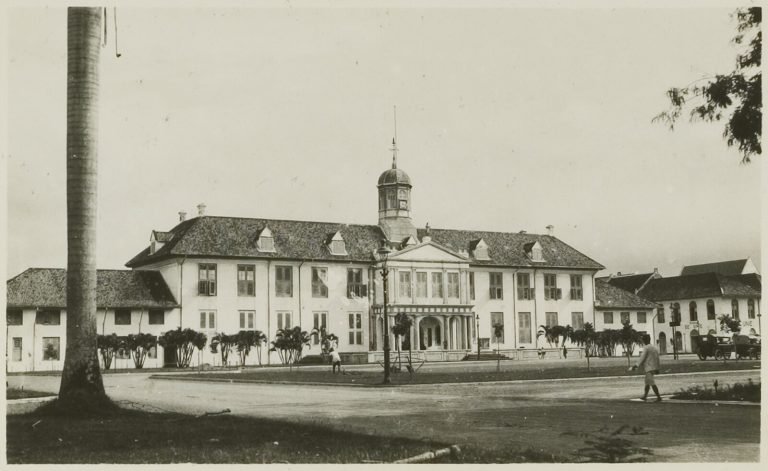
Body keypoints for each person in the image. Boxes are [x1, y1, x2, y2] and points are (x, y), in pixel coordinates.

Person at [630, 334, 662, 402]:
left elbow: (642, 358)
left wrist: (635, 366)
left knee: (651, 382)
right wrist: (657, 368)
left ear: (645, 340)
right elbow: (657, 358)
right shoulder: (654, 347)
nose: (643, 341)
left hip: (648, 368)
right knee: (647, 382)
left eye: (643, 339)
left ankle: (658, 397)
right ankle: (645, 396)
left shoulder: (646, 348)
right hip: (653, 367)